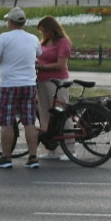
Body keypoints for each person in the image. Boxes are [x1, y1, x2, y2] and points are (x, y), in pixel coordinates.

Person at [0, 7, 42, 170]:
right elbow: (38, 54)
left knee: (7, 122)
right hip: (29, 85)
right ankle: (33, 158)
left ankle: (6, 158)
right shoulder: (33, 38)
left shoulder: (3, 38)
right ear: (23, 23)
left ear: (10, 22)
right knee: (29, 122)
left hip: (9, 85)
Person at [34, 15, 73, 154]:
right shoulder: (44, 42)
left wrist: (42, 67)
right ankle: (50, 148)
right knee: (45, 115)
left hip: (57, 81)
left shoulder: (62, 42)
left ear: (52, 29)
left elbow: (61, 65)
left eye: (45, 31)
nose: (44, 34)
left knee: (62, 114)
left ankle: (70, 149)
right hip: (42, 81)